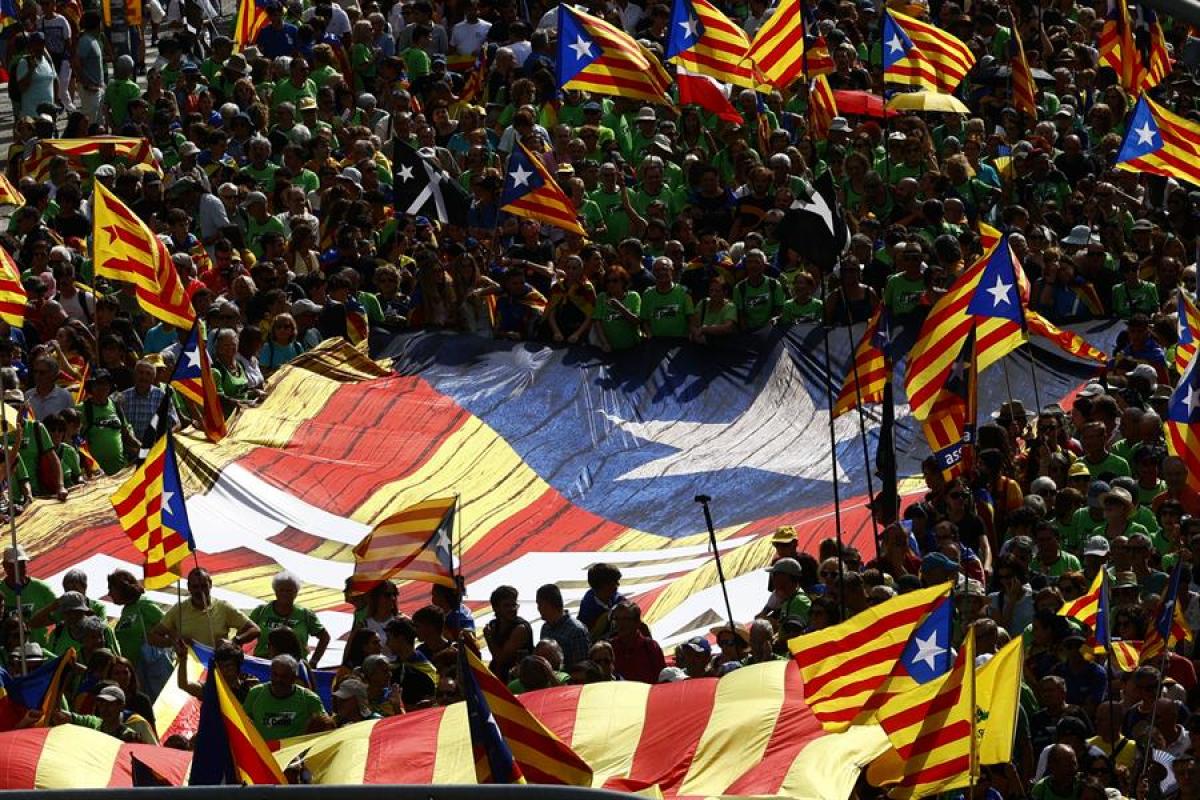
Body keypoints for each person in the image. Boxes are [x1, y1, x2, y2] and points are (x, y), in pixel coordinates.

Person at [149, 567, 260, 649]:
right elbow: (153, 636)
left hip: (218, 666)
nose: (200, 591)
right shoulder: (178, 610)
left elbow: (255, 630)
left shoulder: (223, 607)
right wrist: (173, 642)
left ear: (210, 584)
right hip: (190, 670)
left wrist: (235, 641)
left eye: (203, 586)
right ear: (188, 587)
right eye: (195, 587)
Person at [248, 571, 330, 666]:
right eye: (281, 590)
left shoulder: (305, 614)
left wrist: (314, 661)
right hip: (263, 665)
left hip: (295, 667)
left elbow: (325, 637)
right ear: (275, 591)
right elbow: (244, 630)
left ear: (296, 592)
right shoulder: (261, 611)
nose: (285, 594)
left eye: (289, 590)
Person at [242, 654, 330, 740]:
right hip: (264, 752)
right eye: (275, 675)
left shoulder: (308, 698)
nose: (278, 680)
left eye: (284, 676)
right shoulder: (256, 693)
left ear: (294, 678)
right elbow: (241, 721)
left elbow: (327, 724)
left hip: (292, 752)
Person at [535, 583, 590, 669]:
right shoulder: (545, 628)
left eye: (539, 604)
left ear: (548, 605)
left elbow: (582, 668)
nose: (538, 608)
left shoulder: (576, 631)